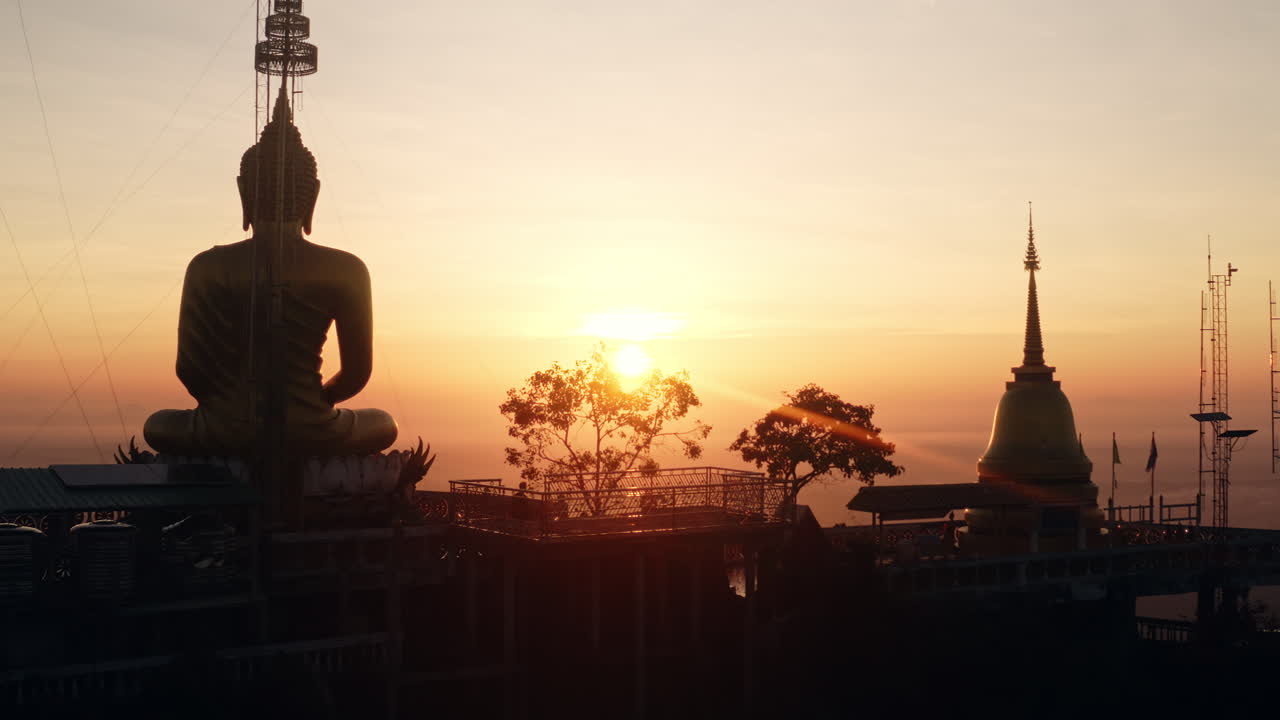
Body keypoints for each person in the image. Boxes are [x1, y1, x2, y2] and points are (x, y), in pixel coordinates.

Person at [144, 86, 396, 457]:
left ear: (244, 192)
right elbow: (357, 374)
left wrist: (229, 407)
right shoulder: (347, 269)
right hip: (310, 427)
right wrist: (314, 403)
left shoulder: (207, 267)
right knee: (383, 423)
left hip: (225, 428)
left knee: (159, 425)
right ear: (313, 197)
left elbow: (190, 370)